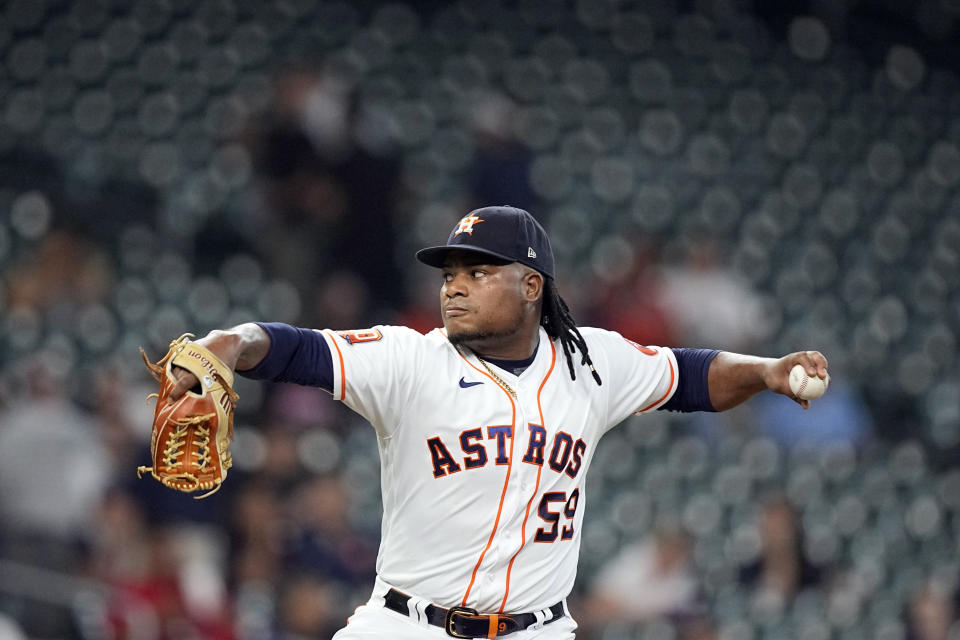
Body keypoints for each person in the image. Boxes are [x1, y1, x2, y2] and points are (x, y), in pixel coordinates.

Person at [164, 206, 829, 639]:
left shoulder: (592, 361)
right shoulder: (411, 359)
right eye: (450, 272)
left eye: (478, 272)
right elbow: (298, 348)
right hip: (407, 627)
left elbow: (692, 375)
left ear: (531, 286)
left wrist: (767, 370)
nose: (454, 285)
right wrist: (233, 340)